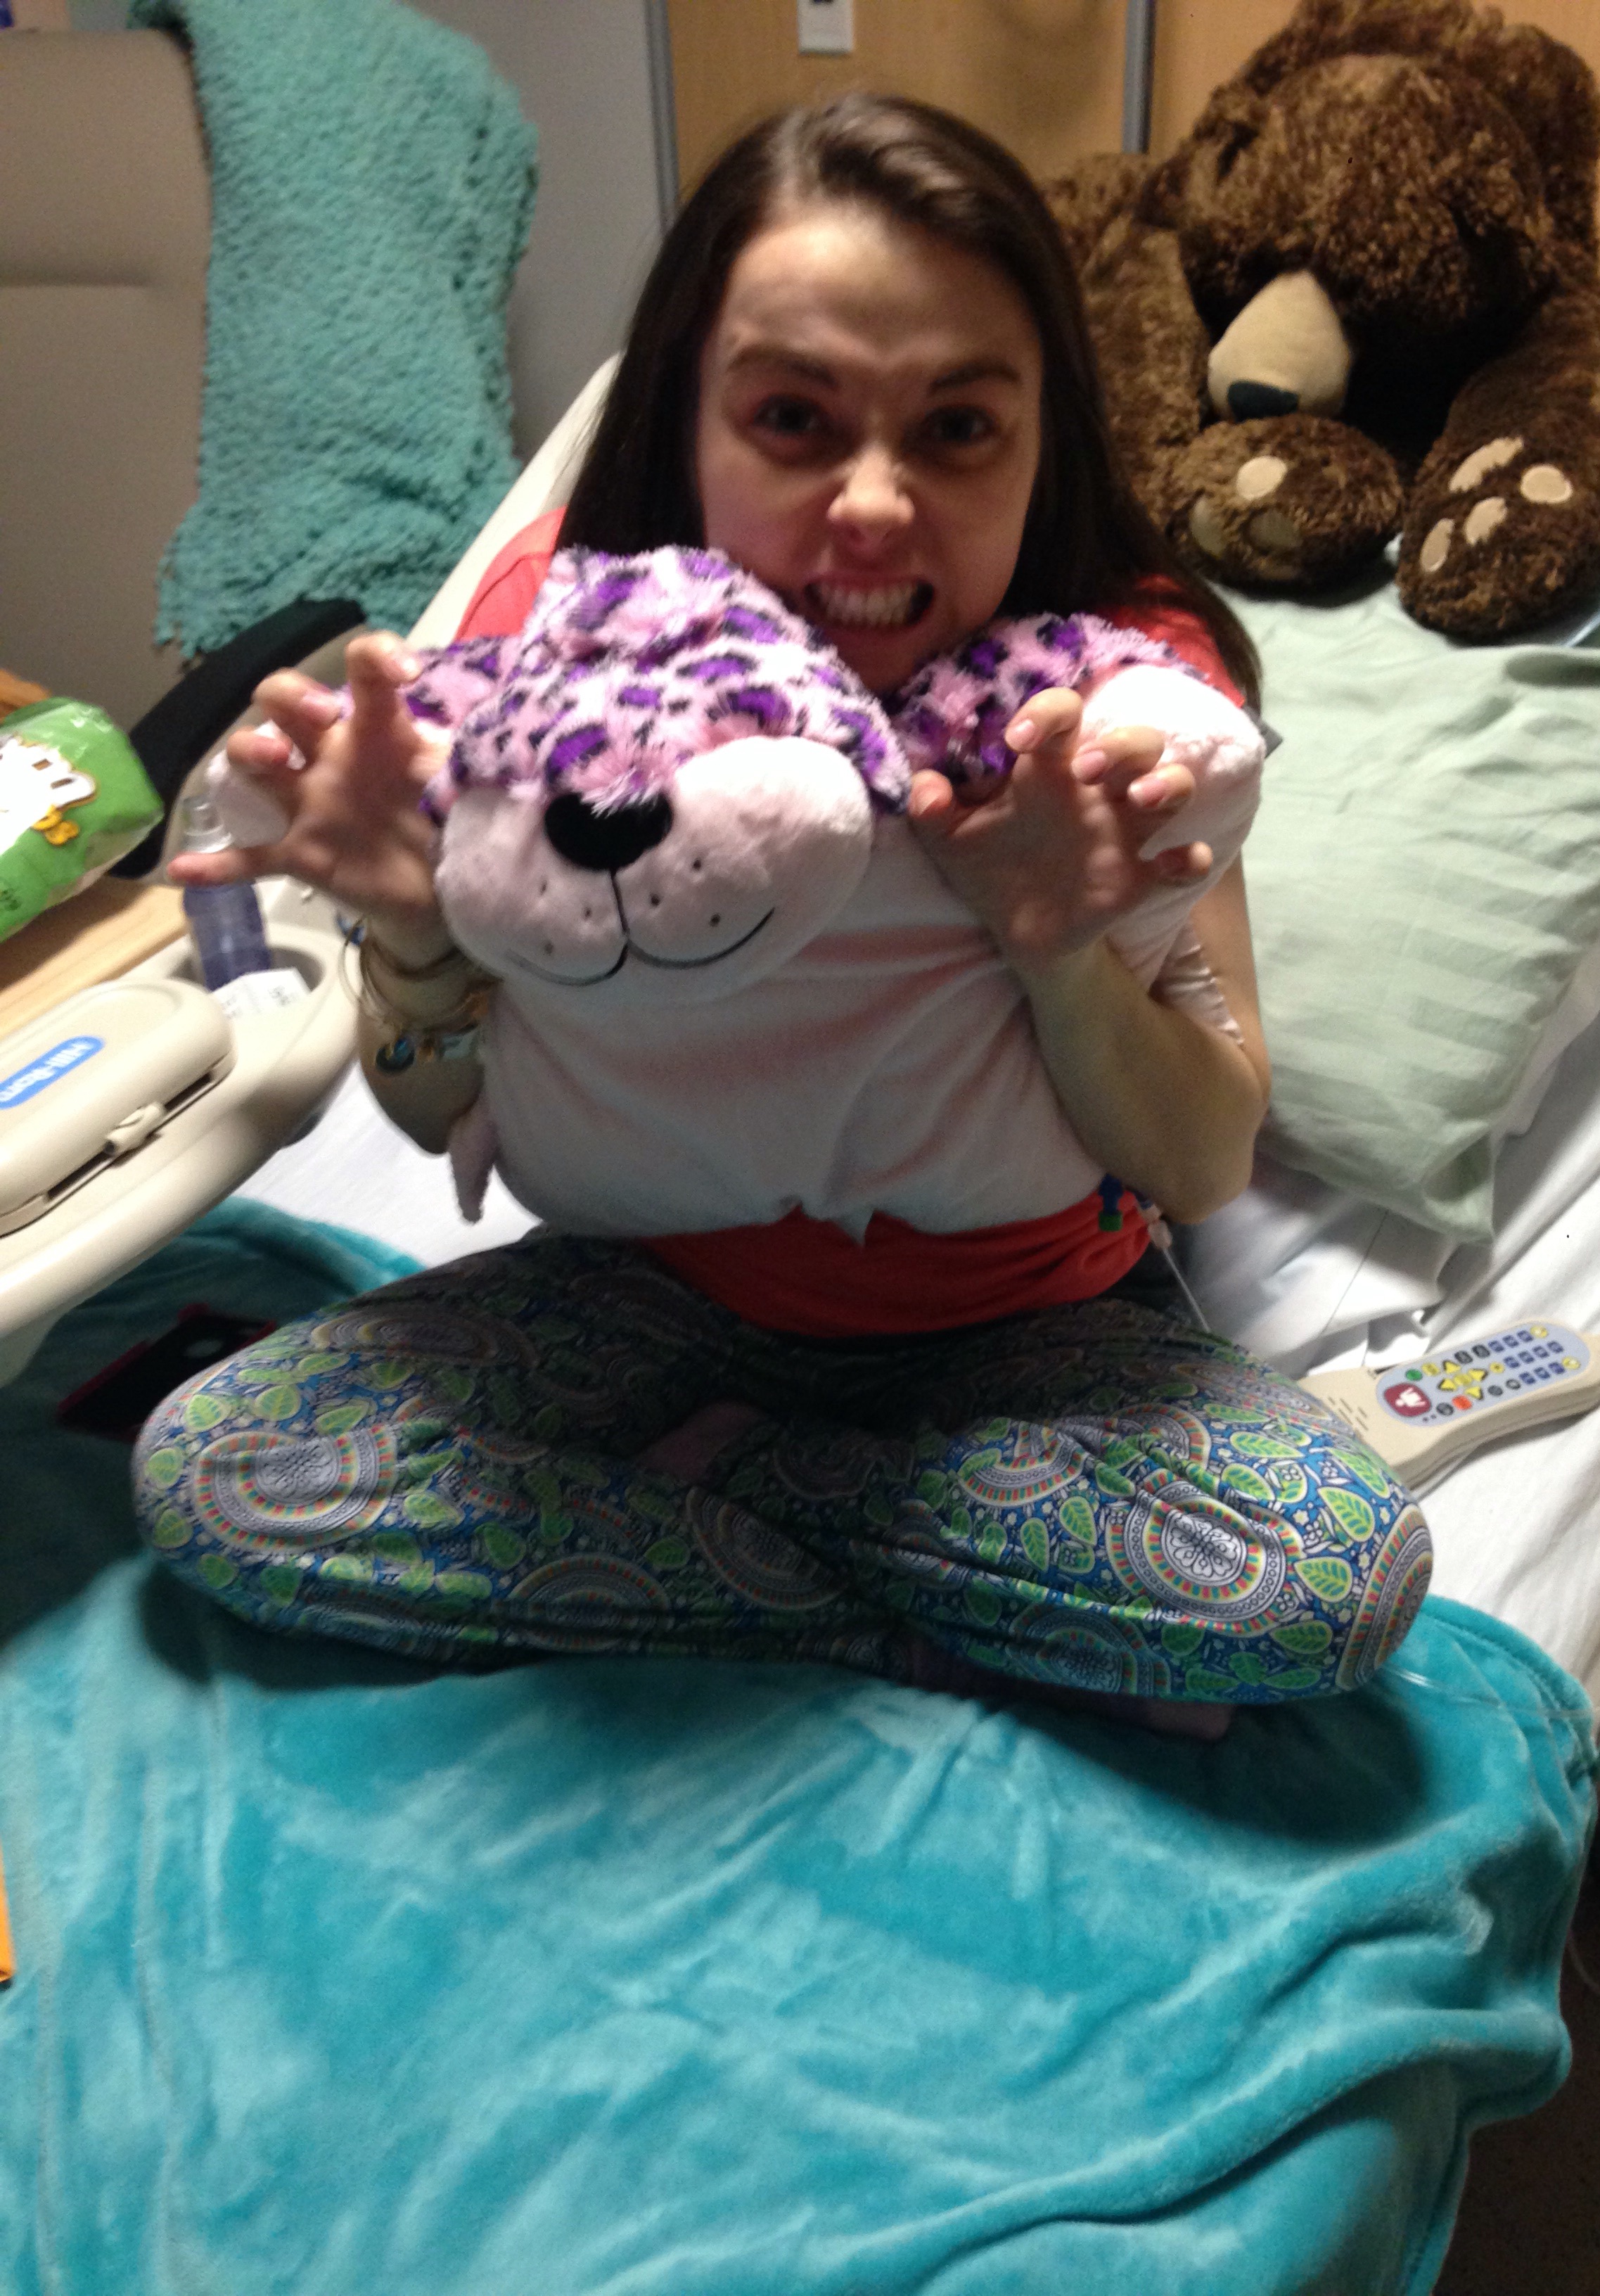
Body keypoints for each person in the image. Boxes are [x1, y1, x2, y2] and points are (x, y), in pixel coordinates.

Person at [137, 96, 1431, 1726]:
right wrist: (415, 937)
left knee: (1327, 1583)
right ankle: (901, 1618)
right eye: (796, 419)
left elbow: (1203, 1158)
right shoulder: (558, 662)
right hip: (641, 1293)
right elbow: (434, 1111)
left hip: (1030, 1336)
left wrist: (1059, 954)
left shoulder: (1113, 700)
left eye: (958, 428)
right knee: (223, 1474)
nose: (876, 504)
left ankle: (742, 1499)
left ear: (1042, 442)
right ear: (692, 423)